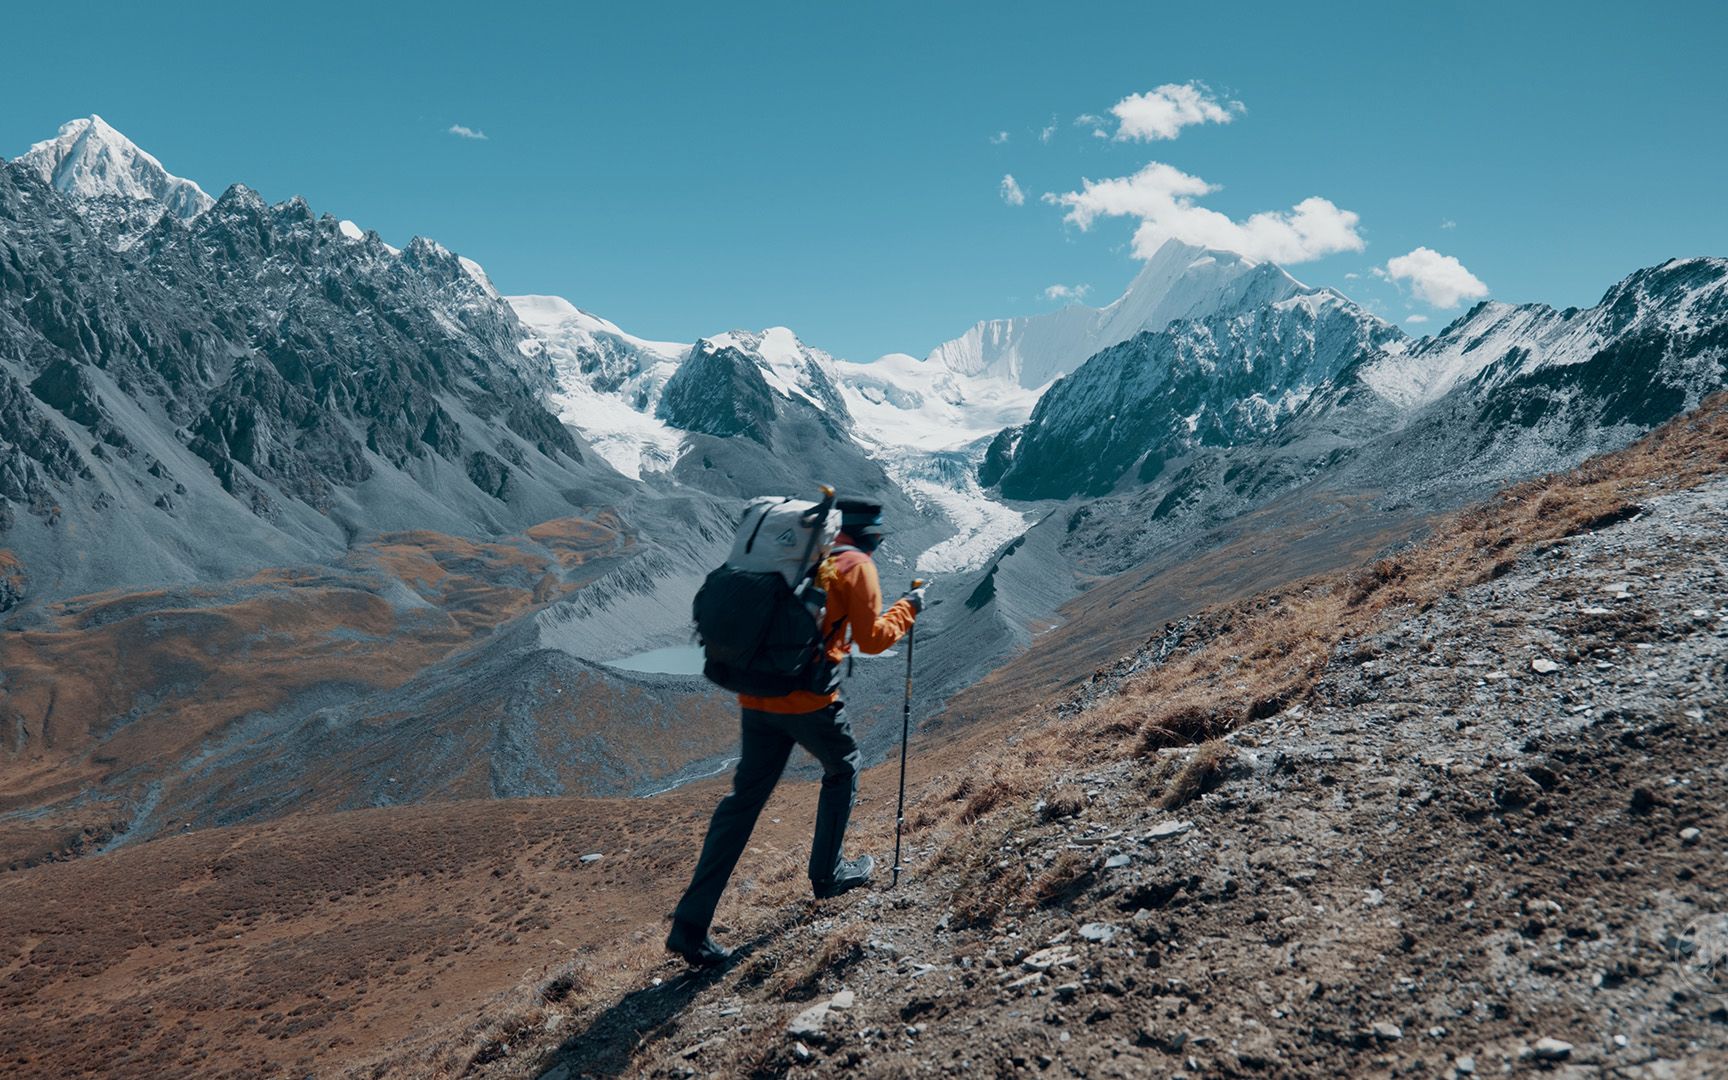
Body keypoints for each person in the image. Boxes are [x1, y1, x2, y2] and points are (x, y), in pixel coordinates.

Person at [665, 498, 927, 967]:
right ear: (873, 537)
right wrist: (908, 608)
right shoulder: (856, 566)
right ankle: (828, 874)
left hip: (757, 697)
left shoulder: (799, 560)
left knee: (741, 804)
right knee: (843, 767)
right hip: (809, 702)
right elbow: (871, 639)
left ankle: (690, 927)